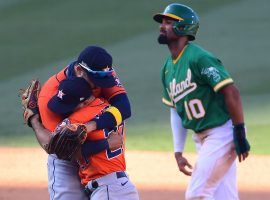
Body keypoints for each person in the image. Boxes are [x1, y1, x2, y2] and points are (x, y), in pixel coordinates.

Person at [153, 3, 250, 200]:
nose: (162, 26)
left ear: (183, 27)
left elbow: (231, 91)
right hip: (203, 139)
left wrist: (238, 131)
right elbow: (175, 110)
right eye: (162, 22)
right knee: (224, 197)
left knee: (197, 193)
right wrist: (178, 151)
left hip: (222, 133)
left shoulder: (198, 57)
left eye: (168, 22)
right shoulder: (167, 69)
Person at [27, 45, 132, 200]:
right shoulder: (48, 95)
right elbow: (56, 146)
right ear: (78, 70)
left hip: (95, 165)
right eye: (94, 81)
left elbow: (124, 108)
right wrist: (34, 120)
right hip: (65, 158)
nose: (100, 85)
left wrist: (91, 125)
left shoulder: (102, 72)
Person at [47, 76, 139, 200]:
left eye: (70, 105)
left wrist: (35, 119)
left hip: (108, 190)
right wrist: (106, 143)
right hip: (119, 187)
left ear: (83, 102)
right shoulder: (110, 108)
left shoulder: (77, 119)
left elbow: (58, 148)